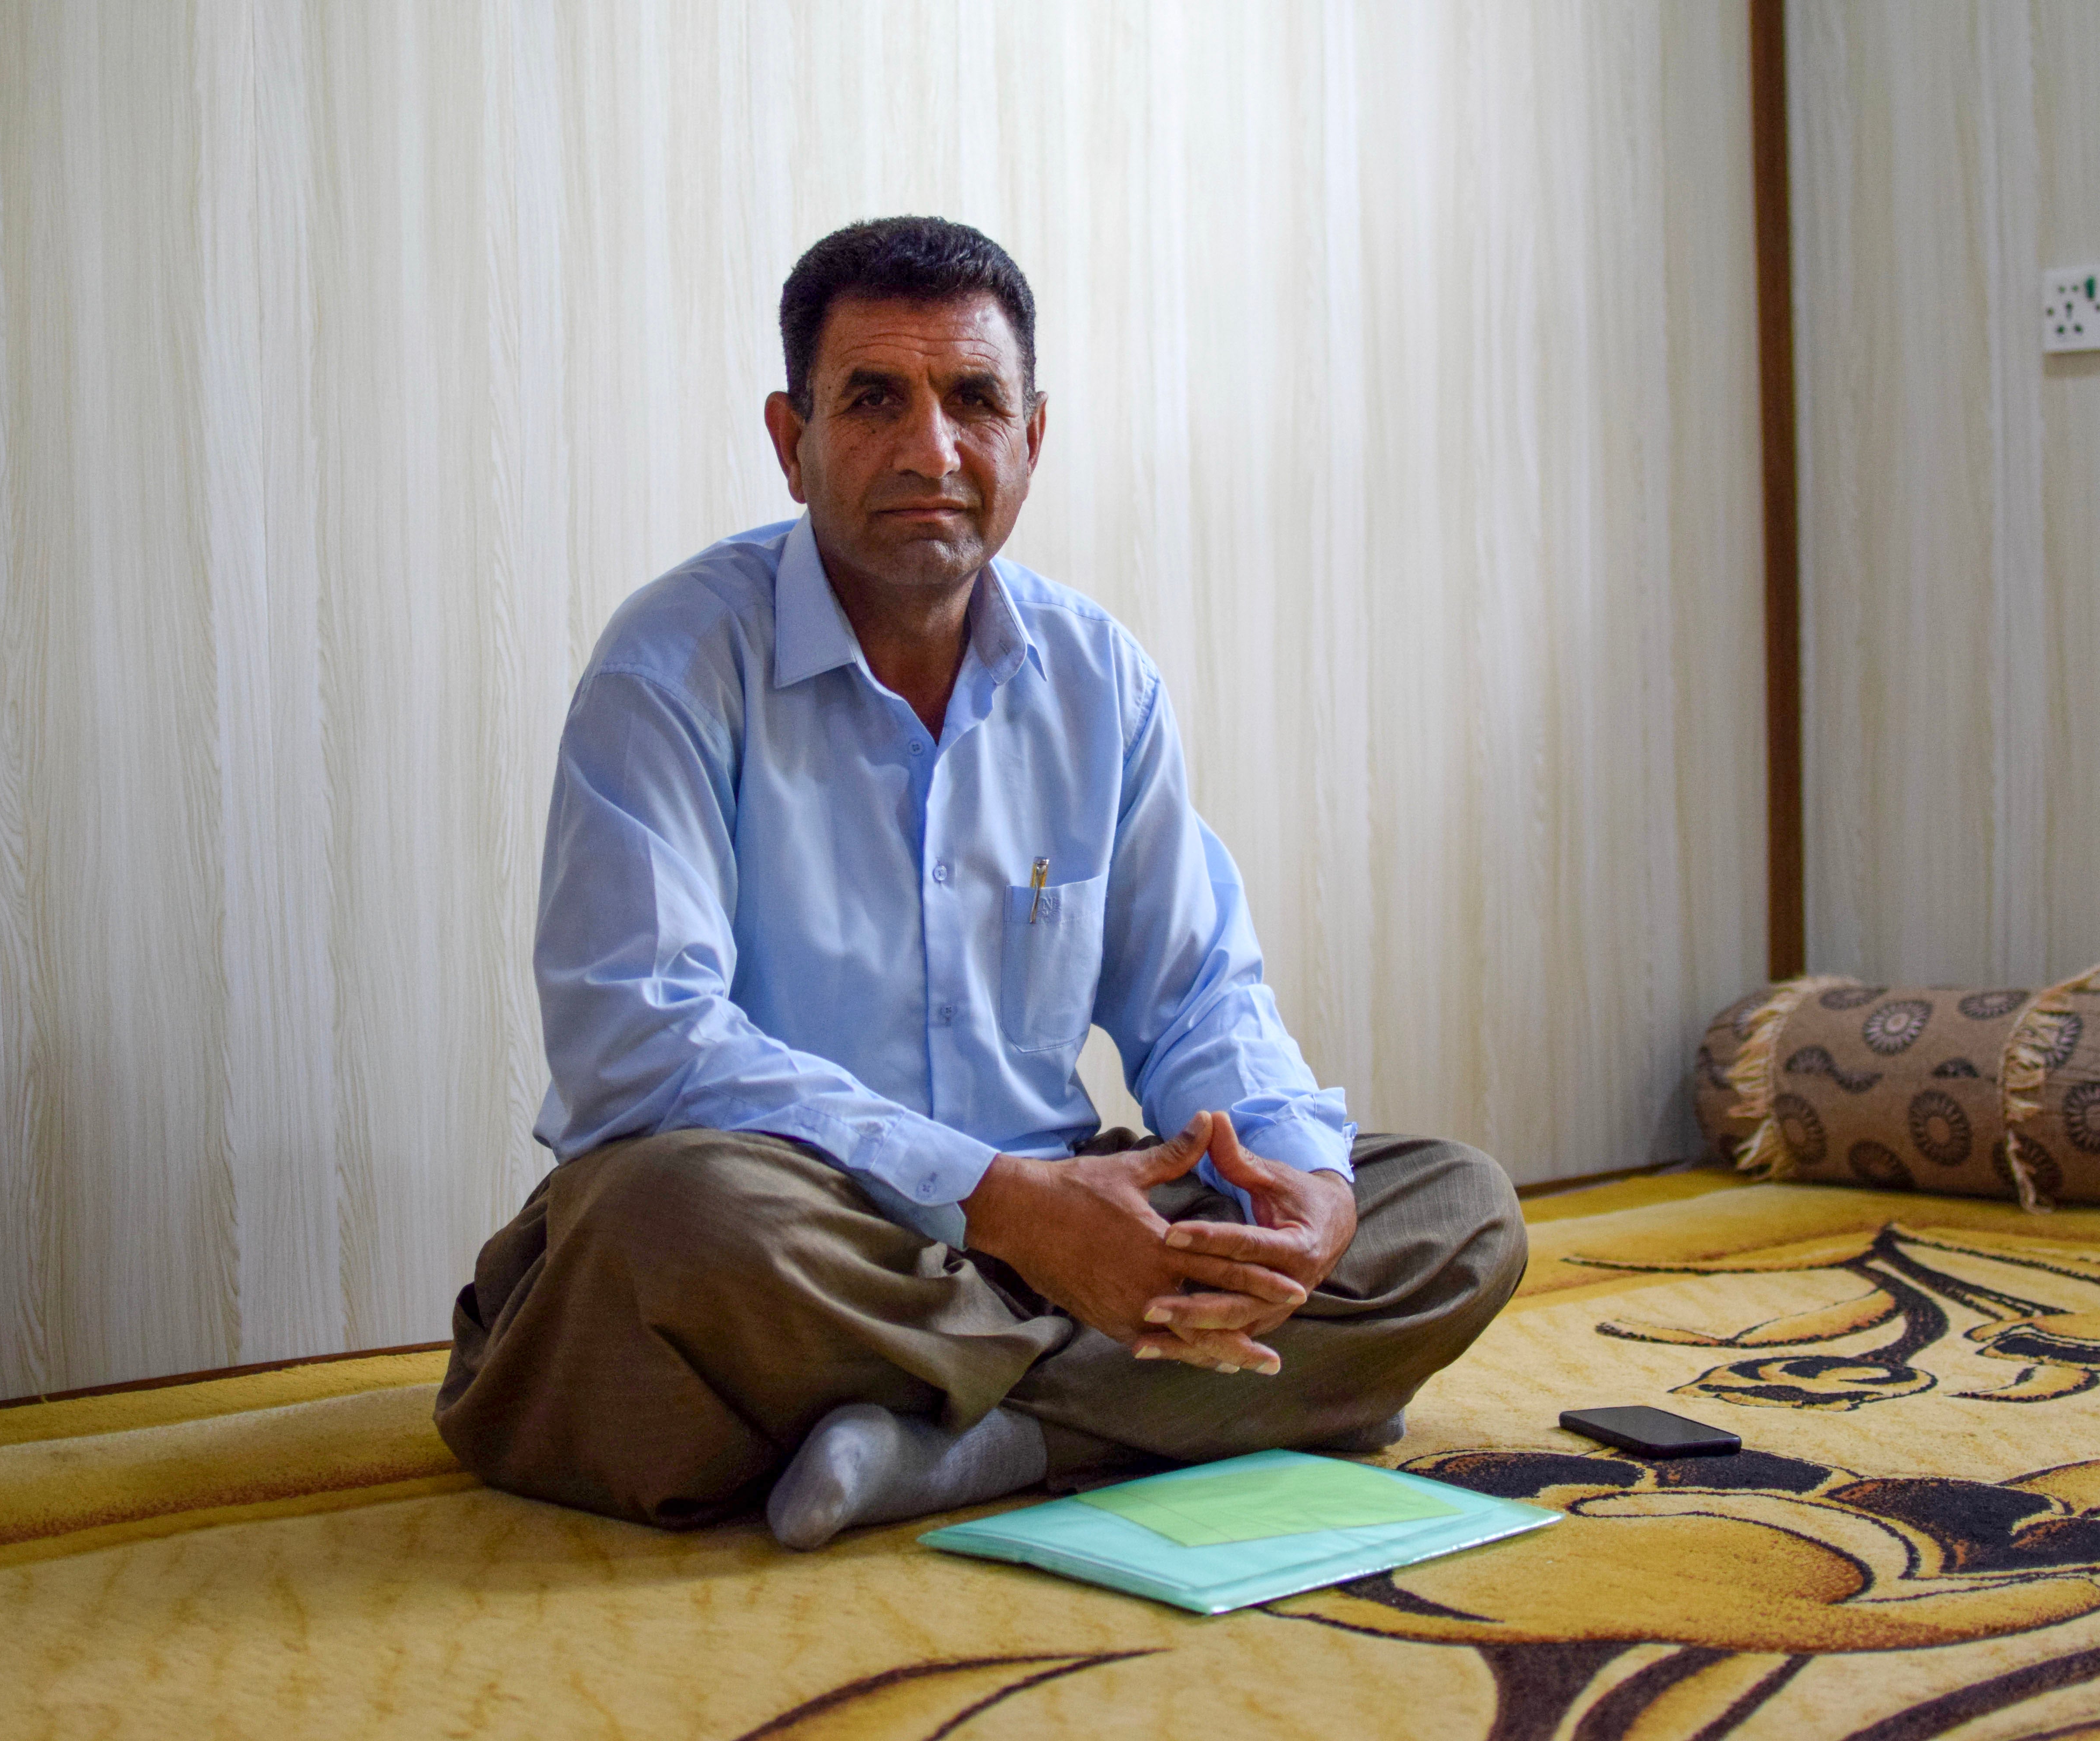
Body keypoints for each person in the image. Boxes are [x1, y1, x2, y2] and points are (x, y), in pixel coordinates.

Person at [434, 216, 1527, 1549]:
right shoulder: (672, 662)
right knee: (670, 1222)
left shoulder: (1097, 675)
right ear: (792, 441)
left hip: (1055, 1221)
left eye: (974, 401)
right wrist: (999, 1201)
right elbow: (640, 1045)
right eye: (875, 400)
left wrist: (1297, 1182)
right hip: (805, 1231)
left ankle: (982, 1441)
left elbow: (1196, 997)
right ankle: (1170, 1400)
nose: (931, 450)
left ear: (1033, 437)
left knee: (1453, 1210)